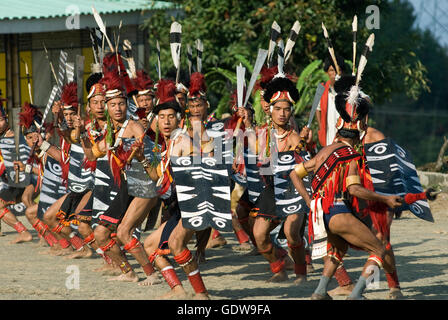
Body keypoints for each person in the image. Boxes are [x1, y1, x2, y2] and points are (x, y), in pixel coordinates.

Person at [293, 74, 403, 300]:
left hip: (320, 215)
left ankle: (320, 292)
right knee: (379, 250)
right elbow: (354, 189)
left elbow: (295, 174)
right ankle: (356, 295)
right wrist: (386, 200)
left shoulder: (324, 151)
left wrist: (308, 200)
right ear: (360, 126)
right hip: (338, 211)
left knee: (337, 251)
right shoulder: (351, 155)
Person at [246, 74, 313, 284]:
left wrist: (305, 146)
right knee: (259, 236)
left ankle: (301, 273)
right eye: (278, 109)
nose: (282, 114)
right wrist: (247, 123)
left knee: (291, 233)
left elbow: (304, 170)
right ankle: (279, 267)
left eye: (286, 109)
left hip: (294, 188)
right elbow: (252, 151)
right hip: (272, 188)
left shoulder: (294, 138)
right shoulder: (262, 134)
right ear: (270, 110)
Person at [315, 55, 347, 147]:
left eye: (338, 70)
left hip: (344, 134)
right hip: (328, 134)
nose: (335, 74)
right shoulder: (322, 89)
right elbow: (318, 109)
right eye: (332, 70)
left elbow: (366, 99)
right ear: (327, 73)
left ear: (342, 72)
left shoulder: (349, 90)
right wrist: (321, 127)